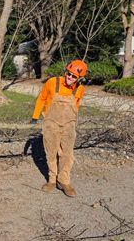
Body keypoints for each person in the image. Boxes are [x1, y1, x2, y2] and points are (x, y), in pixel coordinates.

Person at [31, 60, 87, 197]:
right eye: (69, 74)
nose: (70, 77)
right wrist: (35, 116)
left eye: (74, 76)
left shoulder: (80, 89)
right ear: (66, 72)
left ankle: (64, 182)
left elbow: (76, 106)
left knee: (67, 155)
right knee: (51, 153)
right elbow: (41, 99)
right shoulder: (52, 82)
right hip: (51, 124)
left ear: (79, 78)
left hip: (69, 126)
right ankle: (51, 180)